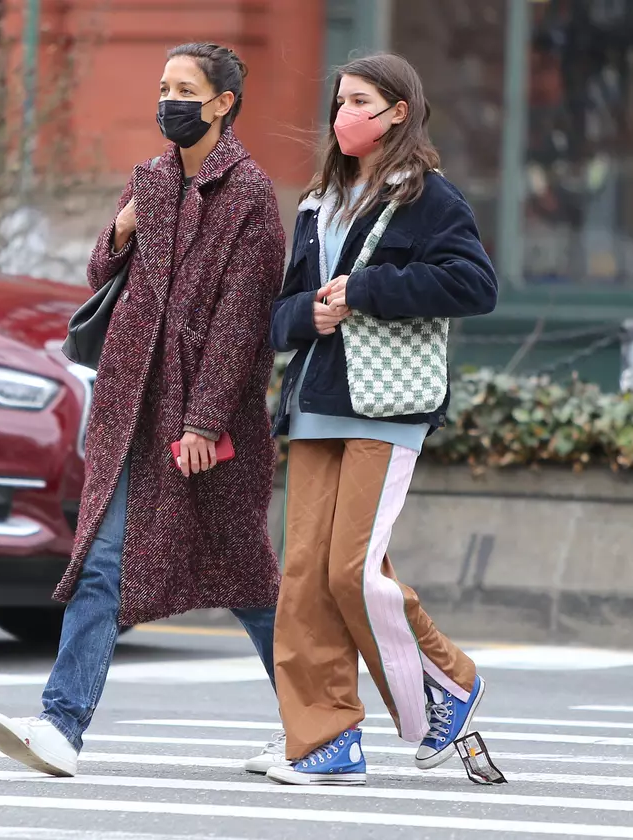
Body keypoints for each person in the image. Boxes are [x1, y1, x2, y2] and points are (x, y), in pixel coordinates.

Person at [0, 42, 286, 777]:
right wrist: (116, 233)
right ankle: (62, 726)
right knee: (101, 561)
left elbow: (241, 323)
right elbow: (103, 278)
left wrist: (203, 422)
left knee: (246, 577)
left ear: (221, 103)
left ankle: (319, 719)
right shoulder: (147, 180)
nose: (168, 101)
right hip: (130, 404)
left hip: (202, 419)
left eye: (185, 89)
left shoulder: (250, 194)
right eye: (162, 87)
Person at [258, 53, 498, 786]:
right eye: (338, 101)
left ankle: (447, 681)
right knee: (302, 576)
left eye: (360, 100)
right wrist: (314, 313)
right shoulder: (315, 205)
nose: (343, 115)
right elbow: (279, 316)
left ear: (399, 110)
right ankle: (324, 737)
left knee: (352, 571)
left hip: (386, 406)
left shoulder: (430, 199)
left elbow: (473, 282)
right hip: (316, 399)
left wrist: (363, 290)